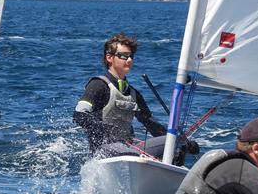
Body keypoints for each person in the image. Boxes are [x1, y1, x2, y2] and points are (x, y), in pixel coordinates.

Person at [73, 33, 198, 161]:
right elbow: (79, 115)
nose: (129, 60)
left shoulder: (133, 93)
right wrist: (102, 128)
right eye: (123, 56)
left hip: (129, 149)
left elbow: (151, 124)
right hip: (104, 151)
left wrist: (184, 143)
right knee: (133, 156)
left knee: (175, 143)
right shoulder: (98, 85)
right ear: (109, 57)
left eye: (131, 56)